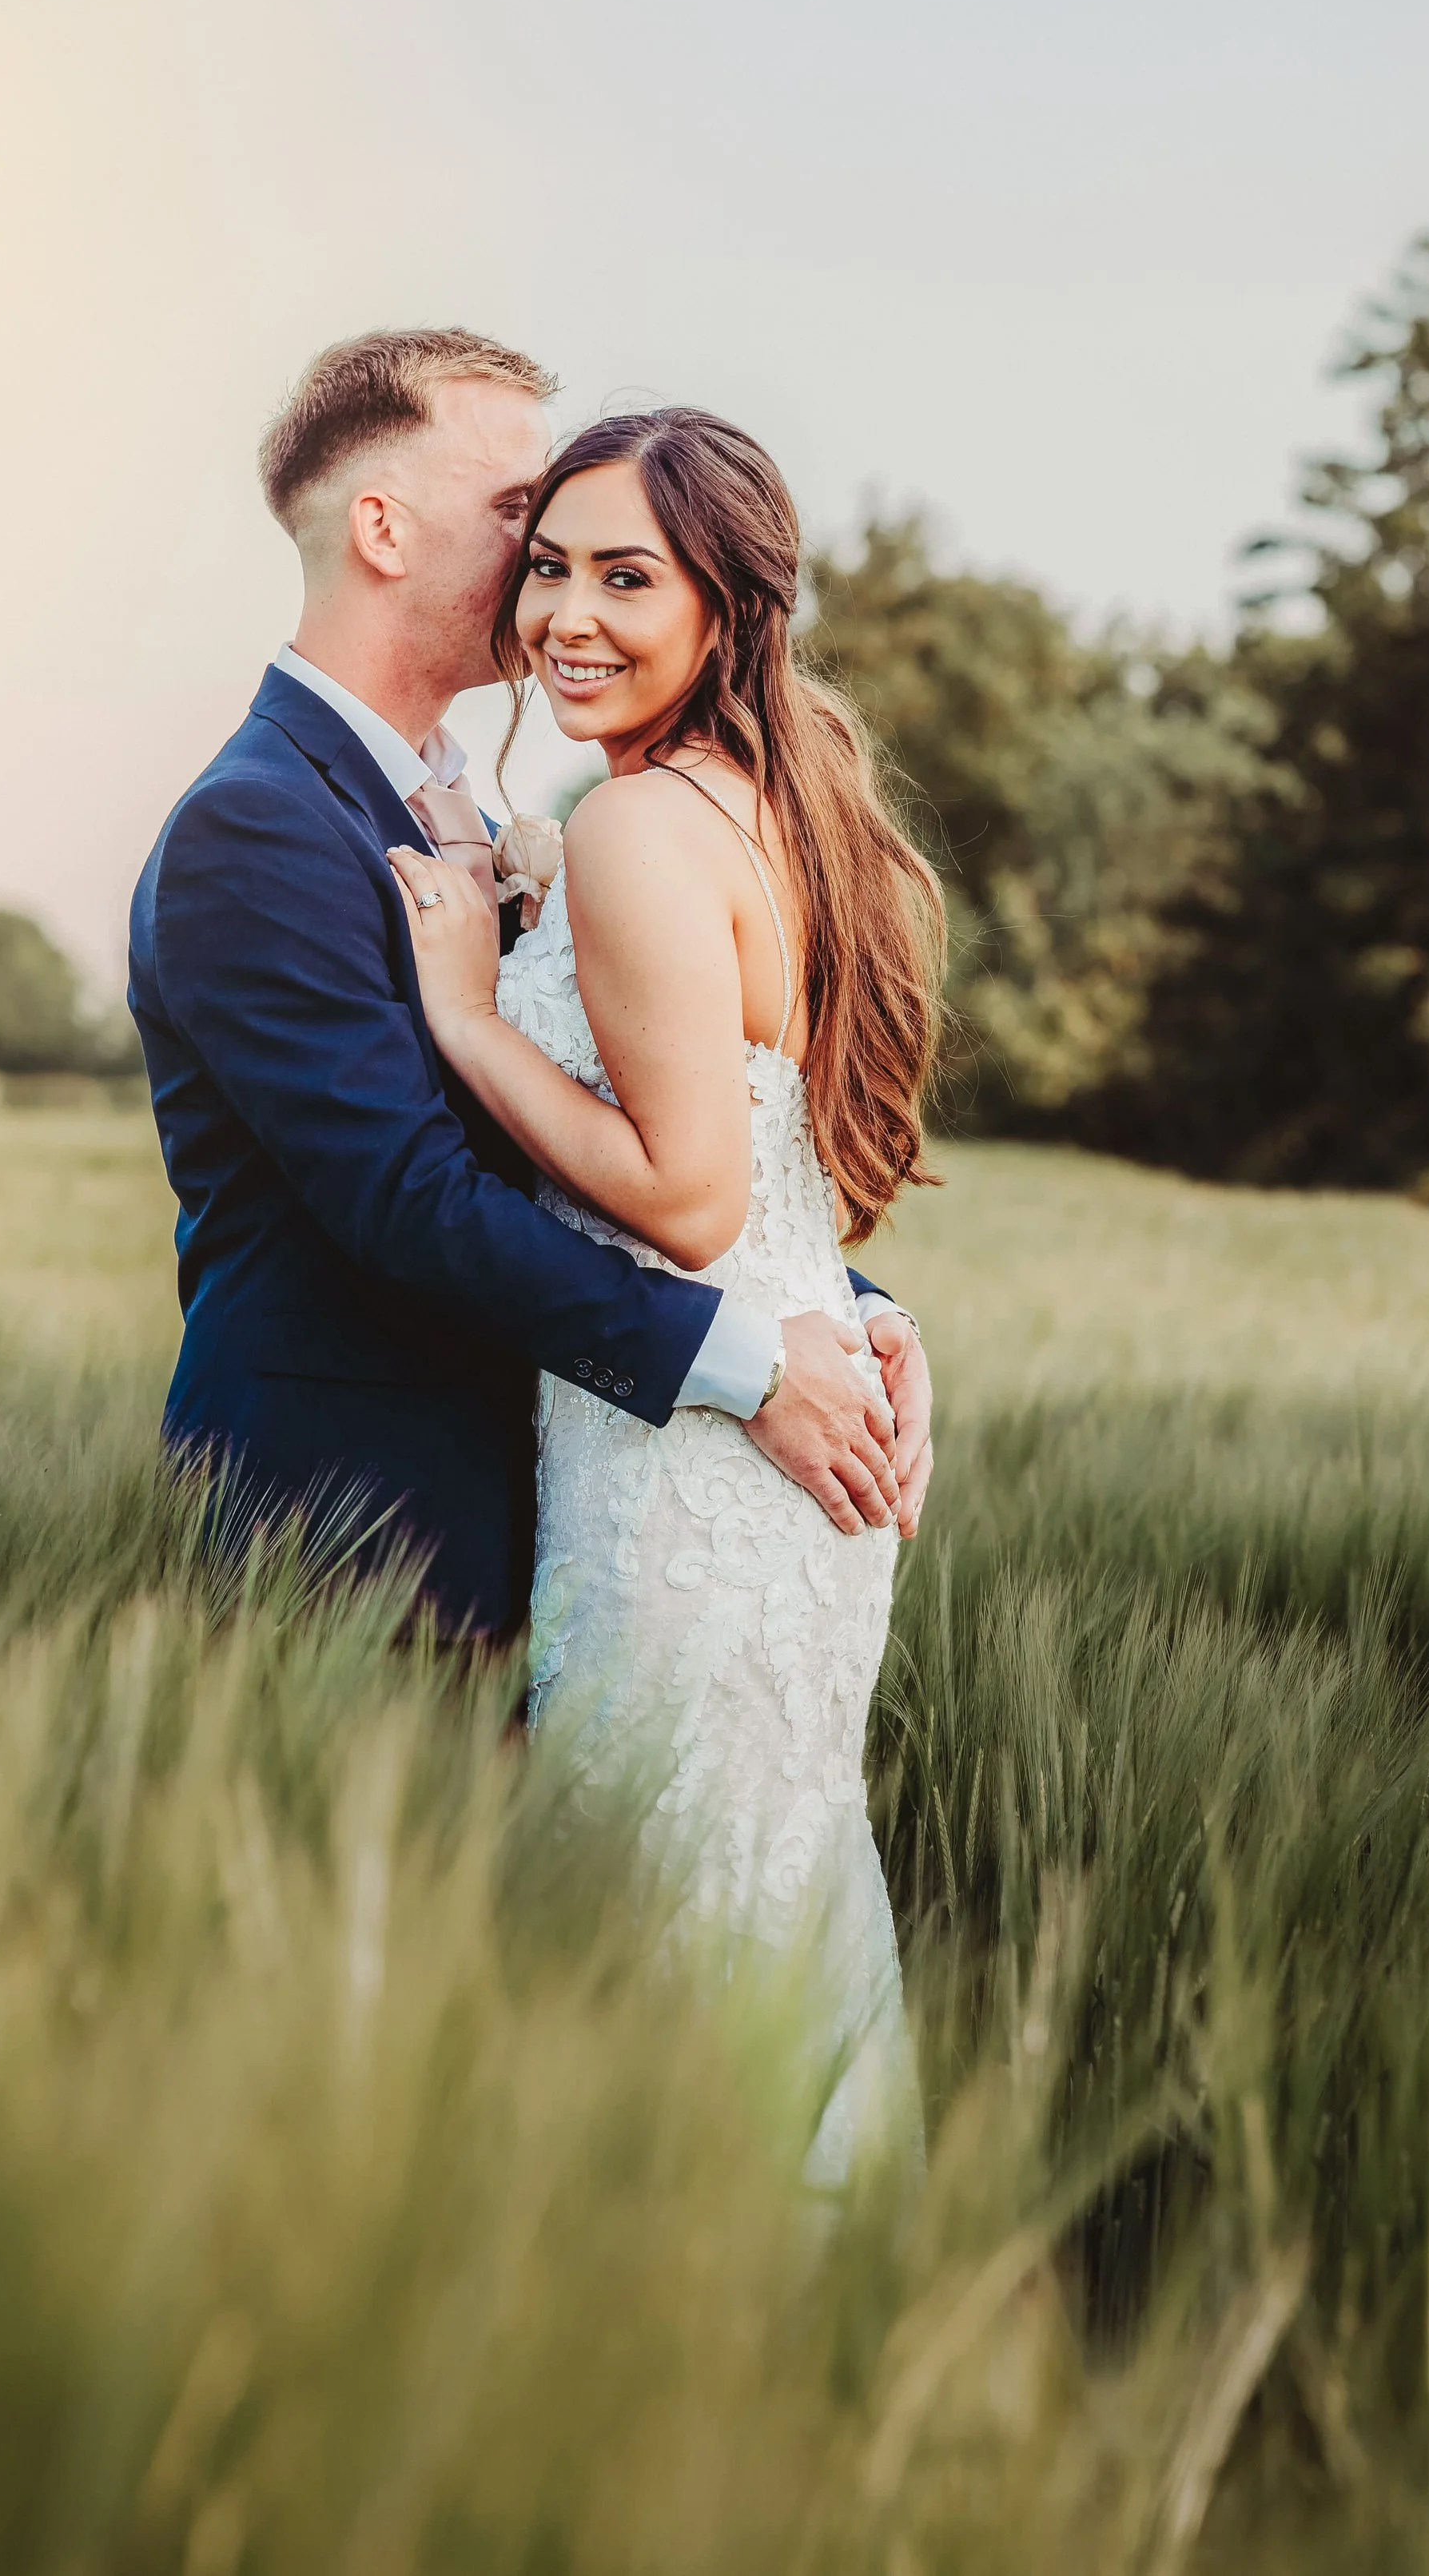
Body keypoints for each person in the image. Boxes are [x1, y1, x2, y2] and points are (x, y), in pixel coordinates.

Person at [128, 331, 933, 1648]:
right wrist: (754, 1364)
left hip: (559, 1507)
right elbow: (414, 1201)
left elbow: (619, 1128)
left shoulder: (489, 805)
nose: (553, 548)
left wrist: (850, 1312)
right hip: (352, 1521)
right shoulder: (257, 825)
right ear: (382, 529)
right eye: (520, 512)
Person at [387, 407, 944, 2171]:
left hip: (691, 1479)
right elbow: (789, 1177)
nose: (565, 614)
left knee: (677, 1928)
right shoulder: (780, 810)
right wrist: (867, 1310)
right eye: (546, 566)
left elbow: (693, 1203)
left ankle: (703, 2343)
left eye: (626, 576)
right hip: (783, 1452)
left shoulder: (636, 826)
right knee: (768, 1905)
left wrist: (473, 1013)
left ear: (727, 603)